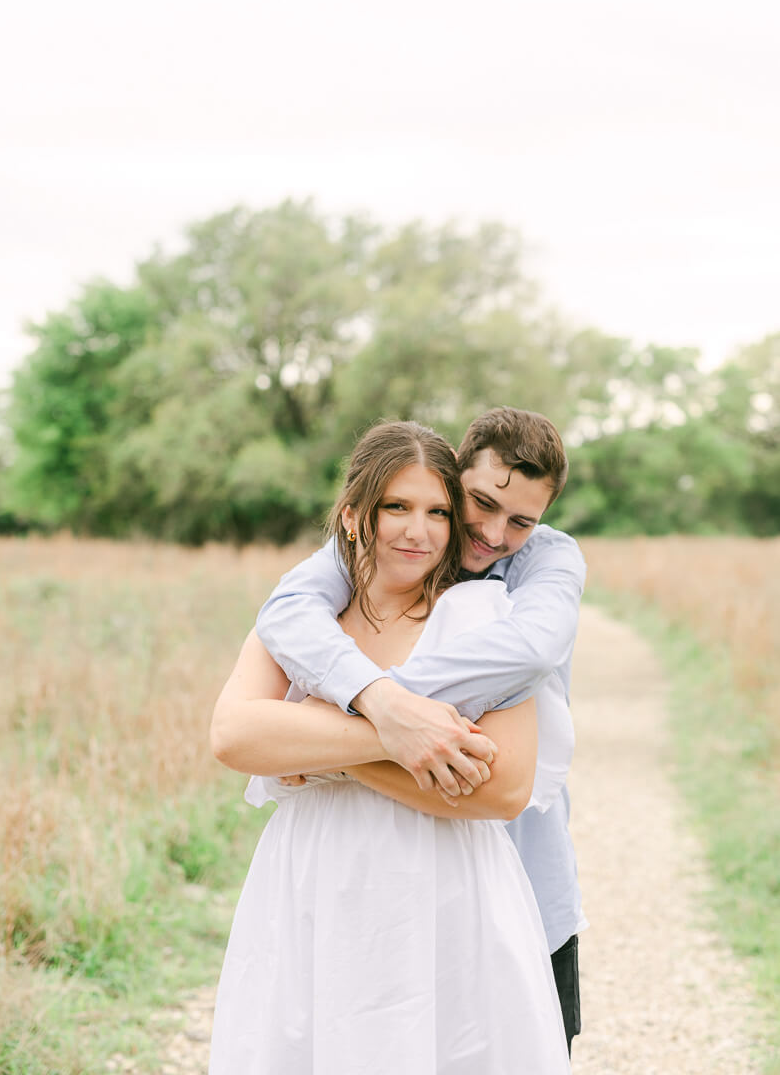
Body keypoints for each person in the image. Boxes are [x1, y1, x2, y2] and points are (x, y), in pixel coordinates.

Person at [209, 420, 572, 1074]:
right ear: (352, 515)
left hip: (443, 882)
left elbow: (504, 788)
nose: (420, 530)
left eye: (437, 511)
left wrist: (324, 753)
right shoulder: (300, 623)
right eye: (396, 507)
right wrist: (398, 734)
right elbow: (234, 734)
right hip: (312, 875)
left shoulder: (483, 616)